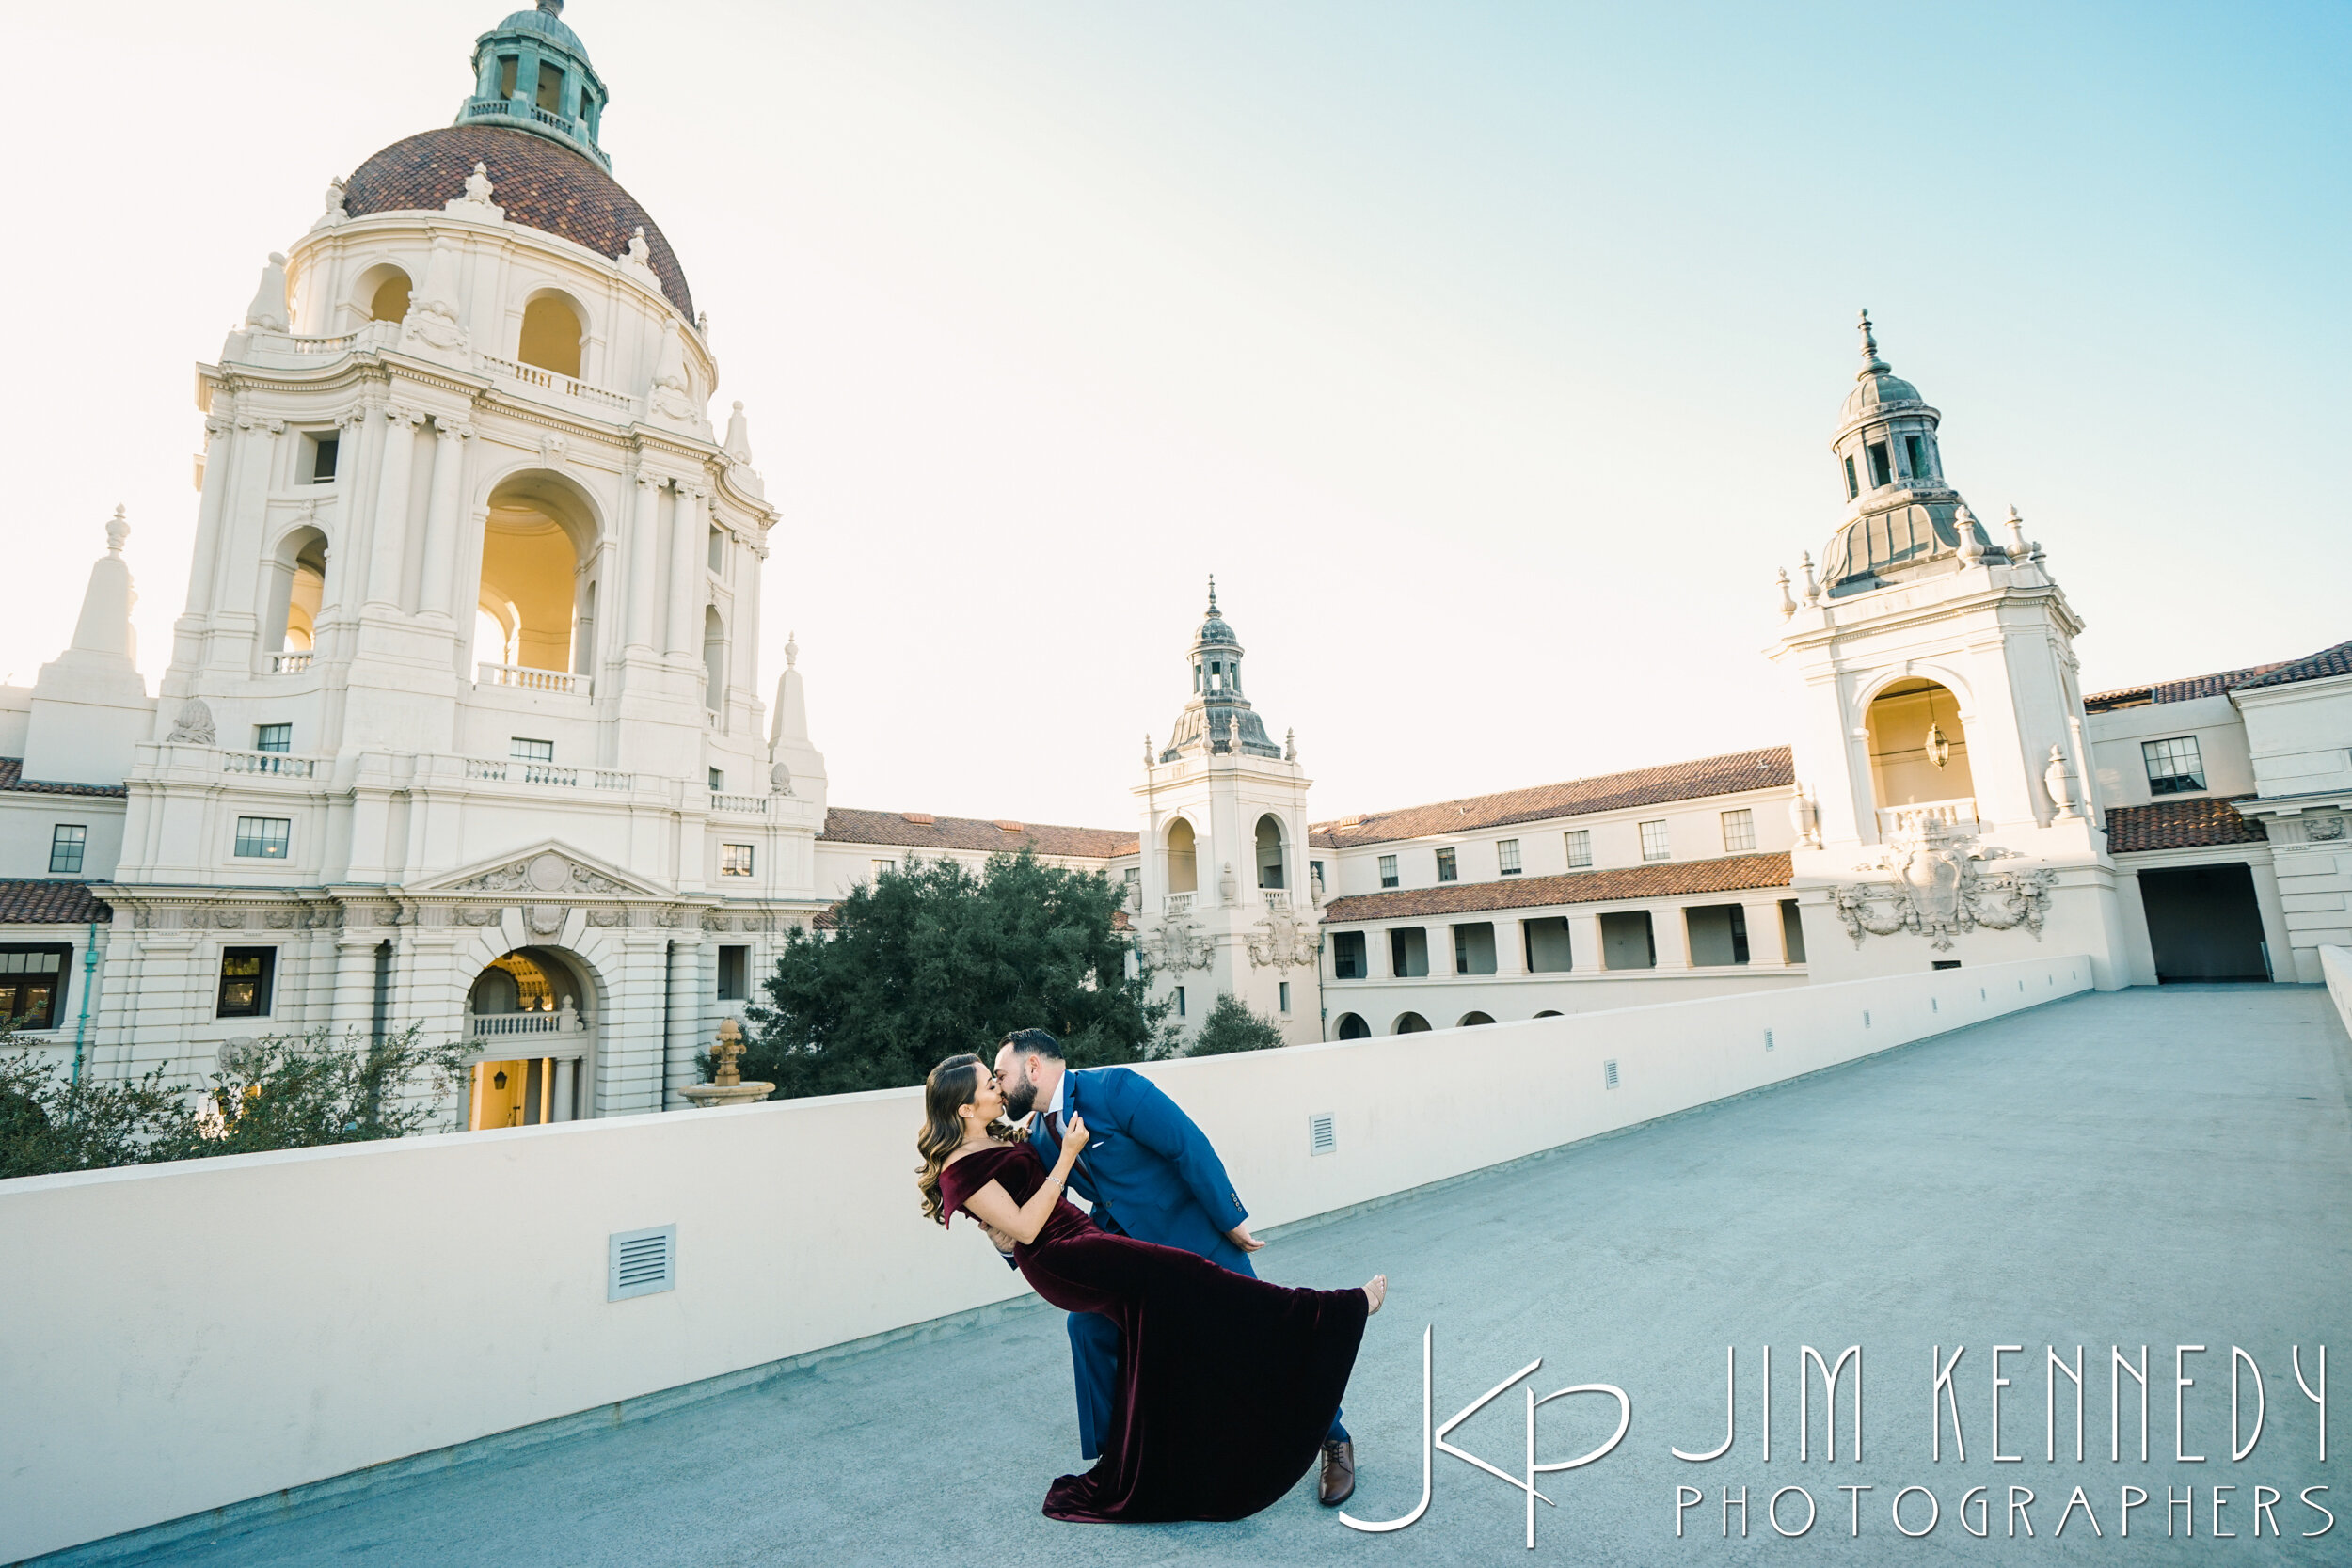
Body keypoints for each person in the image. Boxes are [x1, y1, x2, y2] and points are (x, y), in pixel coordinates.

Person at [919, 1053, 1384, 1523]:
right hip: (1115, 1245)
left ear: (1033, 1067)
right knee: (1087, 1330)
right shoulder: (1039, 1133)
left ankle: (1334, 1437)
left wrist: (1229, 1219)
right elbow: (1021, 1204)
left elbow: (1187, 1145)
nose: (999, 1084)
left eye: (1001, 1074)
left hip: (1189, 1233)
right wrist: (1004, 1241)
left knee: (1253, 1328)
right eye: (990, 1080)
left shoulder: (1115, 1089)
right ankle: (1117, 1458)